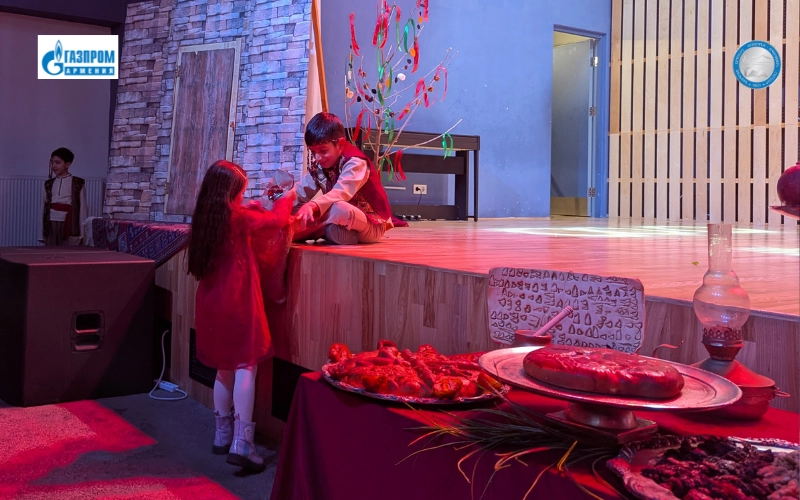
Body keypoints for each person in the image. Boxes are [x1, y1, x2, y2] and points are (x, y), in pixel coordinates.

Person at [187, 160, 294, 472]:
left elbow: (243, 212)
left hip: (211, 301)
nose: (244, 197)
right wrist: (285, 197)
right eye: (241, 193)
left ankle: (222, 435)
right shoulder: (239, 218)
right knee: (246, 365)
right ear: (231, 193)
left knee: (224, 368)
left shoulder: (207, 216)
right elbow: (276, 222)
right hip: (238, 298)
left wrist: (254, 203)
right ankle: (243, 443)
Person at [291, 112, 396, 245]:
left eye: (323, 151)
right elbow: (299, 191)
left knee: (339, 209)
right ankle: (332, 232)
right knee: (295, 208)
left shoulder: (356, 162)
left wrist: (312, 205)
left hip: (370, 225)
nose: (317, 157)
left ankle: (297, 232)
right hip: (341, 221)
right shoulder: (318, 166)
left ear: (340, 144)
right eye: (313, 152)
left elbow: (341, 192)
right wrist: (281, 200)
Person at [42, 147, 87, 246]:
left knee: (66, 250)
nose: (53, 166)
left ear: (67, 164)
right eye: (52, 162)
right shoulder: (48, 184)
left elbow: (82, 208)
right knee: (51, 249)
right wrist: (41, 234)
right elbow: (44, 207)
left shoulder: (77, 183)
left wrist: (82, 234)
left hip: (69, 223)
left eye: (57, 163)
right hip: (51, 222)